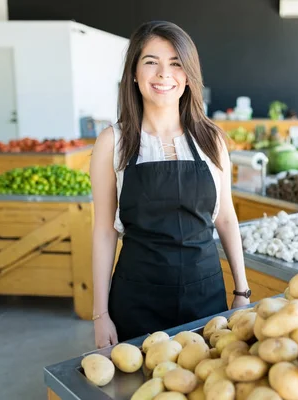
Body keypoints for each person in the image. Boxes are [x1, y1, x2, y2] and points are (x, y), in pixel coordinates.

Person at [89, 21, 250, 348]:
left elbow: (226, 218)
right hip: (136, 298)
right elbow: (105, 230)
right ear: (134, 72)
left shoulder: (211, 139)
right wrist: (100, 313)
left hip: (206, 298)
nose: (164, 74)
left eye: (176, 63)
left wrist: (242, 293)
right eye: (151, 62)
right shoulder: (113, 142)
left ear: (188, 75)